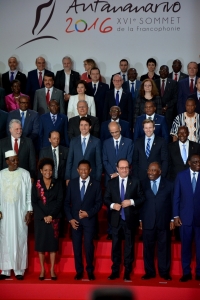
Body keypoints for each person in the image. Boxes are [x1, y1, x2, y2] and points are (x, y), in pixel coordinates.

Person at [104, 159, 145, 281]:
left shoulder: (136, 181)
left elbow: (142, 198)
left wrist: (131, 202)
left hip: (130, 219)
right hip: (116, 220)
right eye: (121, 168)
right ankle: (115, 271)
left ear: (129, 168)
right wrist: (112, 205)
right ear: (117, 169)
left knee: (129, 246)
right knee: (115, 246)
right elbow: (106, 199)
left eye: (126, 167)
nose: (124, 170)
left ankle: (127, 271)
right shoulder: (111, 183)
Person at [65, 159, 102, 280]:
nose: (83, 171)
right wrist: (70, 219)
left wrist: (88, 213)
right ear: (77, 170)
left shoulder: (96, 184)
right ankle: (79, 271)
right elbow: (66, 203)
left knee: (88, 246)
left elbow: (99, 203)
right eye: (81, 169)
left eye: (86, 169)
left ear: (90, 170)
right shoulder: (72, 183)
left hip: (89, 221)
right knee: (76, 247)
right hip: (75, 222)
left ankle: (90, 270)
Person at [0, 150, 32, 280]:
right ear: (7, 161)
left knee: (20, 238)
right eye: (13, 160)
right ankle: (5, 270)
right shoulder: (1, 174)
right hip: (5, 213)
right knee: (5, 239)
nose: (16, 162)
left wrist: (29, 211)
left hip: (20, 211)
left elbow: (29, 194)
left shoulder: (25, 173)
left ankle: (19, 270)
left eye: (17, 160)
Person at [140, 162, 174, 281]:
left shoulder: (169, 184)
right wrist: (140, 219)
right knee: (148, 249)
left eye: (154, 170)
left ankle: (164, 272)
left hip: (164, 221)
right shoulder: (142, 184)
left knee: (164, 248)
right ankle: (149, 272)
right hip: (148, 221)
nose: (150, 173)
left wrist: (172, 218)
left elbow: (173, 203)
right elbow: (140, 203)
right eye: (149, 170)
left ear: (160, 171)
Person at [31, 158, 63, 280]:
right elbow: (34, 202)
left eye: (50, 170)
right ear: (41, 171)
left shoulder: (58, 183)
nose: (48, 172)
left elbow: (59, 201)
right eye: (45, 170)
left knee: (52, 245)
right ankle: (42, 270)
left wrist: (51, 216)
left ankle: (52, 270)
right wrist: (44, 216)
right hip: (40, 219)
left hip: (54, 219)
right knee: (41, 245)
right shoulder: (37, 184)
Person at [173, 154, 200, 282]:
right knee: (186, 247)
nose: (198, 164)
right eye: (195, 162)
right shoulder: (181, 175)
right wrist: (176, 216)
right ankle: (186, 272)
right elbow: (176, 197)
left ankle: (199, 272)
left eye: (199, 162)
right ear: (189, 163)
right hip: (185, 219)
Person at [65, 117, 102, 184]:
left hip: (91, 177)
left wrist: (98, 179)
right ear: (79, 127)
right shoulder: (73, 141)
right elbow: (69, 161)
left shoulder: (96, 141)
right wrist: (68, 177)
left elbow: (98, 163)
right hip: (75, 176)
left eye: (86, 125)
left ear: (90, 126)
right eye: (81, 125)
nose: (83, 127)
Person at [154, 65, 178, 130]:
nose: (163, 72)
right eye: (162, 70)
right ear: (159, 72)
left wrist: (167, 106)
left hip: (169, 112)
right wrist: (159, 107)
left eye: (165, 71)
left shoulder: (173, 83)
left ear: (168, 72)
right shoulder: (154, 82)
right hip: (157, 111)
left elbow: (175, 97)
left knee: (168, 130)